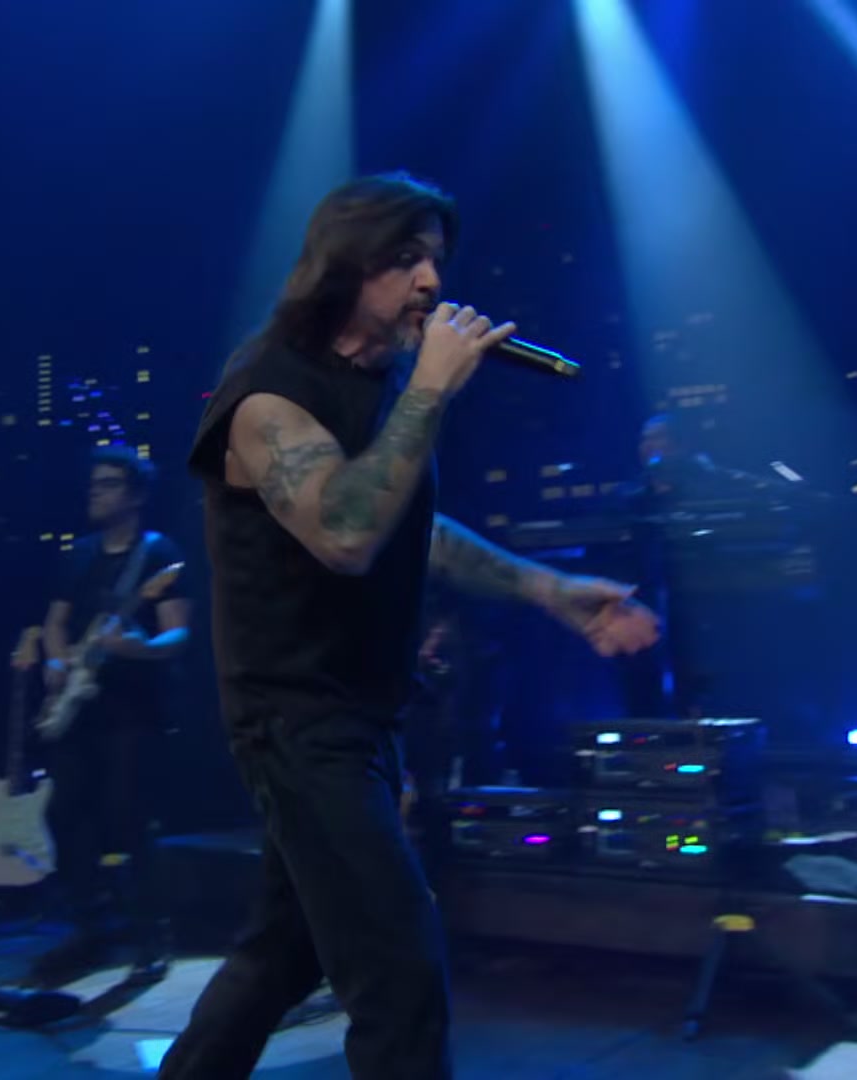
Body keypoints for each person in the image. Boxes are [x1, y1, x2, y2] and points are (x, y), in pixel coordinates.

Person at [163, 173, 659, 1079]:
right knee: (400, 973)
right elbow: (346, 531)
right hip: (294, 718)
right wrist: (429, 390)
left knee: (284, 951)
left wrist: (549, 589)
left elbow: (408, 527)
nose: (431, 281)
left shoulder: (381, 384)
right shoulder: (265, 394)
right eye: (404, 260)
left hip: (362, 711)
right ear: (343, 267)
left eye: (435, 259)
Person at [34, 446, 190, 985]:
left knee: (130, 817)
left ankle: (151, 935)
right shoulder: (78, 554)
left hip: (133, 709)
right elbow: (54, 622)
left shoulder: (158, 554)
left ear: (135, 495)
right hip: (79, 711)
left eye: (107, 485)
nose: (95, 492)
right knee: (64, 812)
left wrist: (137, 648)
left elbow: (177, 633)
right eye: (93, 484)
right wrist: (57, 661)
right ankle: (89, 925)